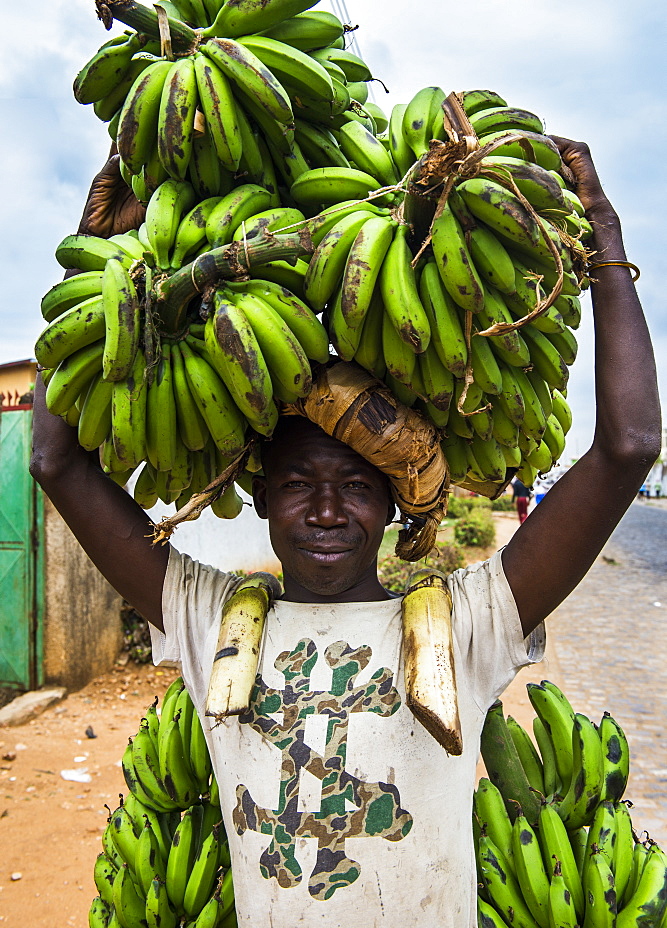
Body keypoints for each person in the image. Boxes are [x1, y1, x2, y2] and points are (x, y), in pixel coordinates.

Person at [30, 138, 661, 928]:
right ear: (261, 501)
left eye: (356, 487)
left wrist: (601, 230)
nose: (326, 511)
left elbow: (627, 447)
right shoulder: (206, 619)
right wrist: (107, 257)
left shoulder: (466, 626)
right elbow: (56, 462)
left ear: (394, 505)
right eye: (298, 485)